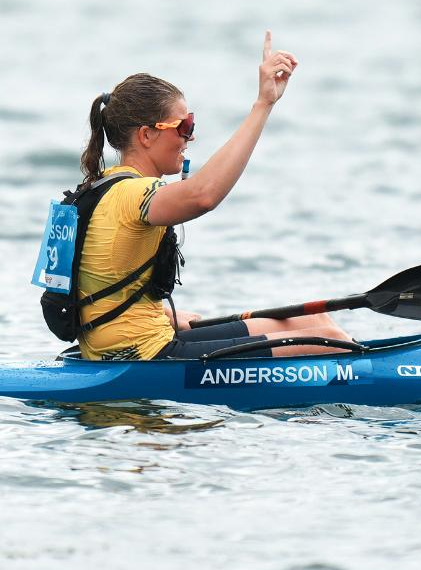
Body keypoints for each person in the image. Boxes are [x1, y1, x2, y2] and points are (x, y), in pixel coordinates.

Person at [74, 31, 352, 361]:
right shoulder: (134, 194)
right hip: (140, 353)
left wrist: (165, 316)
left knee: (311, 319)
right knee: (330, 340)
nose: (189, 137)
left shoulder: (104, 186)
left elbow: (102, 279)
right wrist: (263, 104)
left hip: (132, 337)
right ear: (146, 135)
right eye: (184, 126)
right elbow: (204, 195)